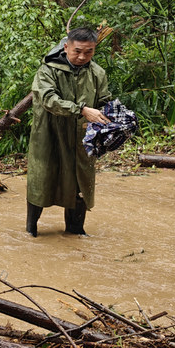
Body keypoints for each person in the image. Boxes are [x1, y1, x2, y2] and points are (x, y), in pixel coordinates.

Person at [26, 27, 112, 237]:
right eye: (77, 51)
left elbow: (103, 100)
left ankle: (75, 232)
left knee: (80, 183)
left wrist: (115, 116)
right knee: (42, 180)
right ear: (66, 47)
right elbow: (48, 100)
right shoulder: (47, 70)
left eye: (89, 52)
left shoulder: (97, 73)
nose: (82, 56)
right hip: (49, 137)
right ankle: (31, 231)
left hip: (82, 138)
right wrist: (81, 110)